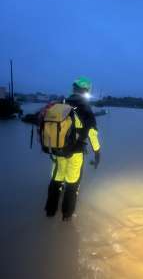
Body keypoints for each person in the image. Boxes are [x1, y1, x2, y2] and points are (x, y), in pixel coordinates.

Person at [43, 77, 101, 221]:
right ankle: (67, 215)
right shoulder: (85, 108)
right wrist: (97, 153)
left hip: (58, 151)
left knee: (56, 179)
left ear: (73, 89)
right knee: (72, 183)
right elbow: (92, 134)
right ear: (86, 91)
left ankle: (50, 211)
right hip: (75, 153)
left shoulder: (62, 103)